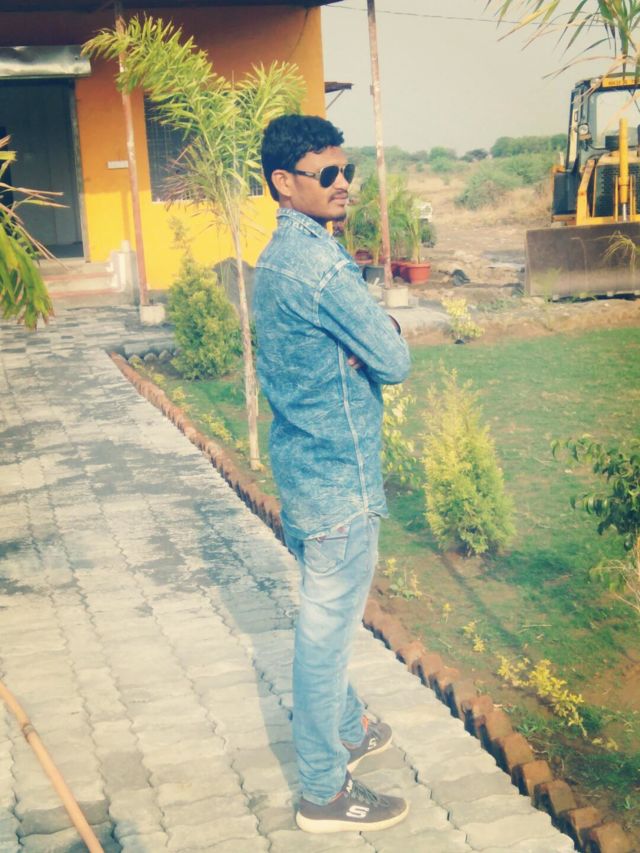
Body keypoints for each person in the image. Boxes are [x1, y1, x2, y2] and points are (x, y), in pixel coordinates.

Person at [253, 114, 411, 834]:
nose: (343, 183)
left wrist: (364, 344)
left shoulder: (278, 258)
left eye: (347, 171)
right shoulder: (318, 268)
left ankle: (348, 729)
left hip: (302, 468)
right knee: (324, 637)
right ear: (285, 183)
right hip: (337, 484)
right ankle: (323, 789)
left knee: (323, 618)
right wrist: (379, 337)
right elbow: (394, 359)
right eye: (327, 173)